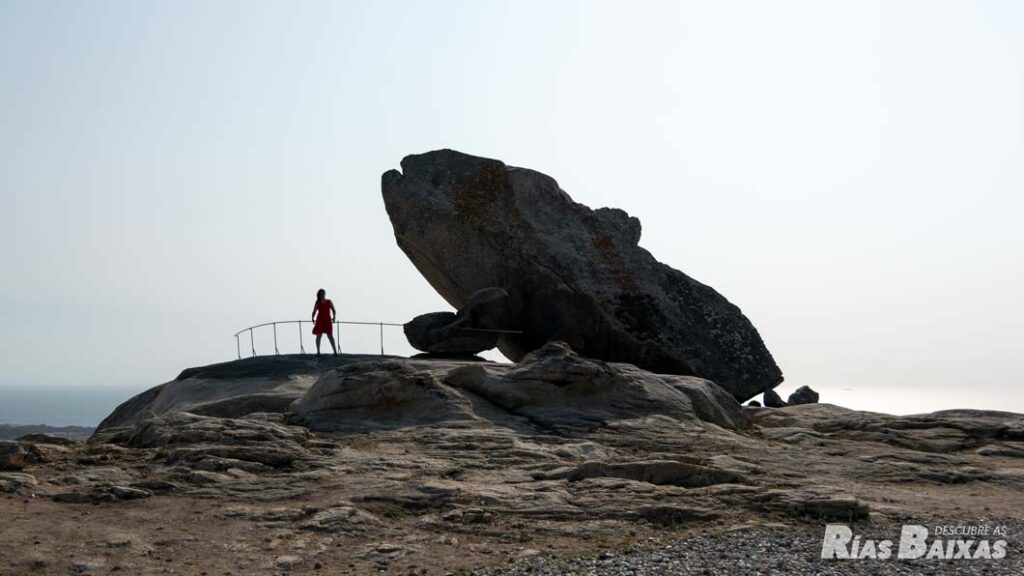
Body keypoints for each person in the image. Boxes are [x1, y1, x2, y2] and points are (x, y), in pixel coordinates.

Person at [311, 288, 337, 355]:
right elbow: (314, 311)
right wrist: (312, 317)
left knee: (330, 336)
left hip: (327, 320)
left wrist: (334, 317)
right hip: (320, 320)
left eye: (324, 293)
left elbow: (333, 310)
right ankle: (318, 351)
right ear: (319, 295)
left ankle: (335, 351)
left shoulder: (329, 301)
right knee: (319, 336)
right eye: (321, 294)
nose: (323, 295)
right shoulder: (317, 302)